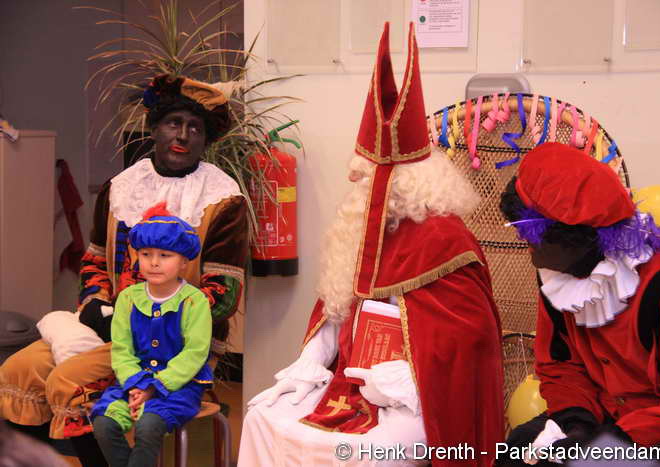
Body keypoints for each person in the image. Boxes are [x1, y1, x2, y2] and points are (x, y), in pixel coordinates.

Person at [238, 23, 503, 467]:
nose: (362, 185)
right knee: (263, 418)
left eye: (375, 177)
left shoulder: (446, 240)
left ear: (412, 179)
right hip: (347, 382)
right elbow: (336, 310)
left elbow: (469, 342)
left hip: (415, 398)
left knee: (368, 453)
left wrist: (410, 380)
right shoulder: (357, 231)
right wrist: (311, 359)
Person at [0, 74, 248, 466]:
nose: (183, 135)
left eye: (195, 128)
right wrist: (96, 304)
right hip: (107, 324)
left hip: (176, 340)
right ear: (154, 128)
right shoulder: (121, 186)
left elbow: (224, 294)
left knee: (67, 380)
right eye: (174, 123)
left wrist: (148, 317)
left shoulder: (223, 198)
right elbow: (95, 260)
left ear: (206, 140)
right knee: (18, 369)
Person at [496, 142, 660, 466]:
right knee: (518, 450)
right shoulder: (557, 277)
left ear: (573, 238)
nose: (528, 248)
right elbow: (560, 366)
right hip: (602, 415)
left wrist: (609, 441)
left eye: (533, 237)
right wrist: (576, 426)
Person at [91, 203, 212, 467]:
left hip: (178, 387)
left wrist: (154, 386)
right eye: (146, 254)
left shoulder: (194, 301)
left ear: (184, 261)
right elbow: (121, 349)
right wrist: (136, 384)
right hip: (133, 383)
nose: (154, 262)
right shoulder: (128, 298)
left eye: (165, 255)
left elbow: (195, 353)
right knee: (103, 423)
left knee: (148, 426)